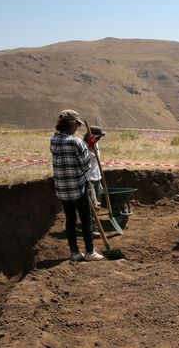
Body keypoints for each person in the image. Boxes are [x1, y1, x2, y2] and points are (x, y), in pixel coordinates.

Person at [50, 109, 104, 261]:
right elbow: (86, 166)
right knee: (86, 219)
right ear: (71, 124)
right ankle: (89, 252)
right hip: (78, 188)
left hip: (62, 189)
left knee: (70, 220)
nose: (78, 127)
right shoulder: (77, 142)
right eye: (77, 124)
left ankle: (74, 253)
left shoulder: (53, 140)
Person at [83, 126, 105, 238]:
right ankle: (91, 229)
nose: (100, 139)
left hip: (97, 177)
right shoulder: (83, 146)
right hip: (88, 177)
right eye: (99, 137)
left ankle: (92, 226)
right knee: (91, 204)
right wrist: (90, 147)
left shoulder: (96, 144)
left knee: (97, 205)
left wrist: (100, 177)